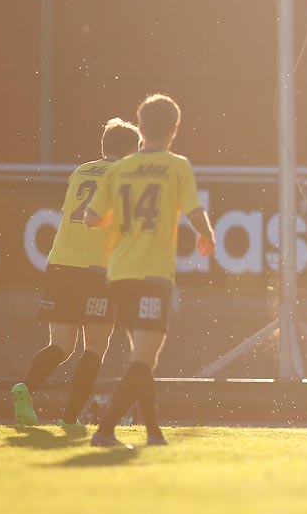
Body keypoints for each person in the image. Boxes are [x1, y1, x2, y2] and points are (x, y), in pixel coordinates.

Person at [83, 94, 215, 448]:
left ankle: (154, 433)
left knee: (143, 354)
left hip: (120, 274)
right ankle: (105, 430)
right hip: (152, 275)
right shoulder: (177, 166)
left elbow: (91, 218)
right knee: (144, 358)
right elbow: (193, 210)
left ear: (139, 128)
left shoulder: (120, 169)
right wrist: (207, 234)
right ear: (175, 130)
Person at [11, 118, 141, 430]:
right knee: (94, 346)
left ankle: (25, 388)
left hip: (60, 264)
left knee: (62, 346)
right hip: (96, 268)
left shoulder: (81, 171)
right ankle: (69, 419)